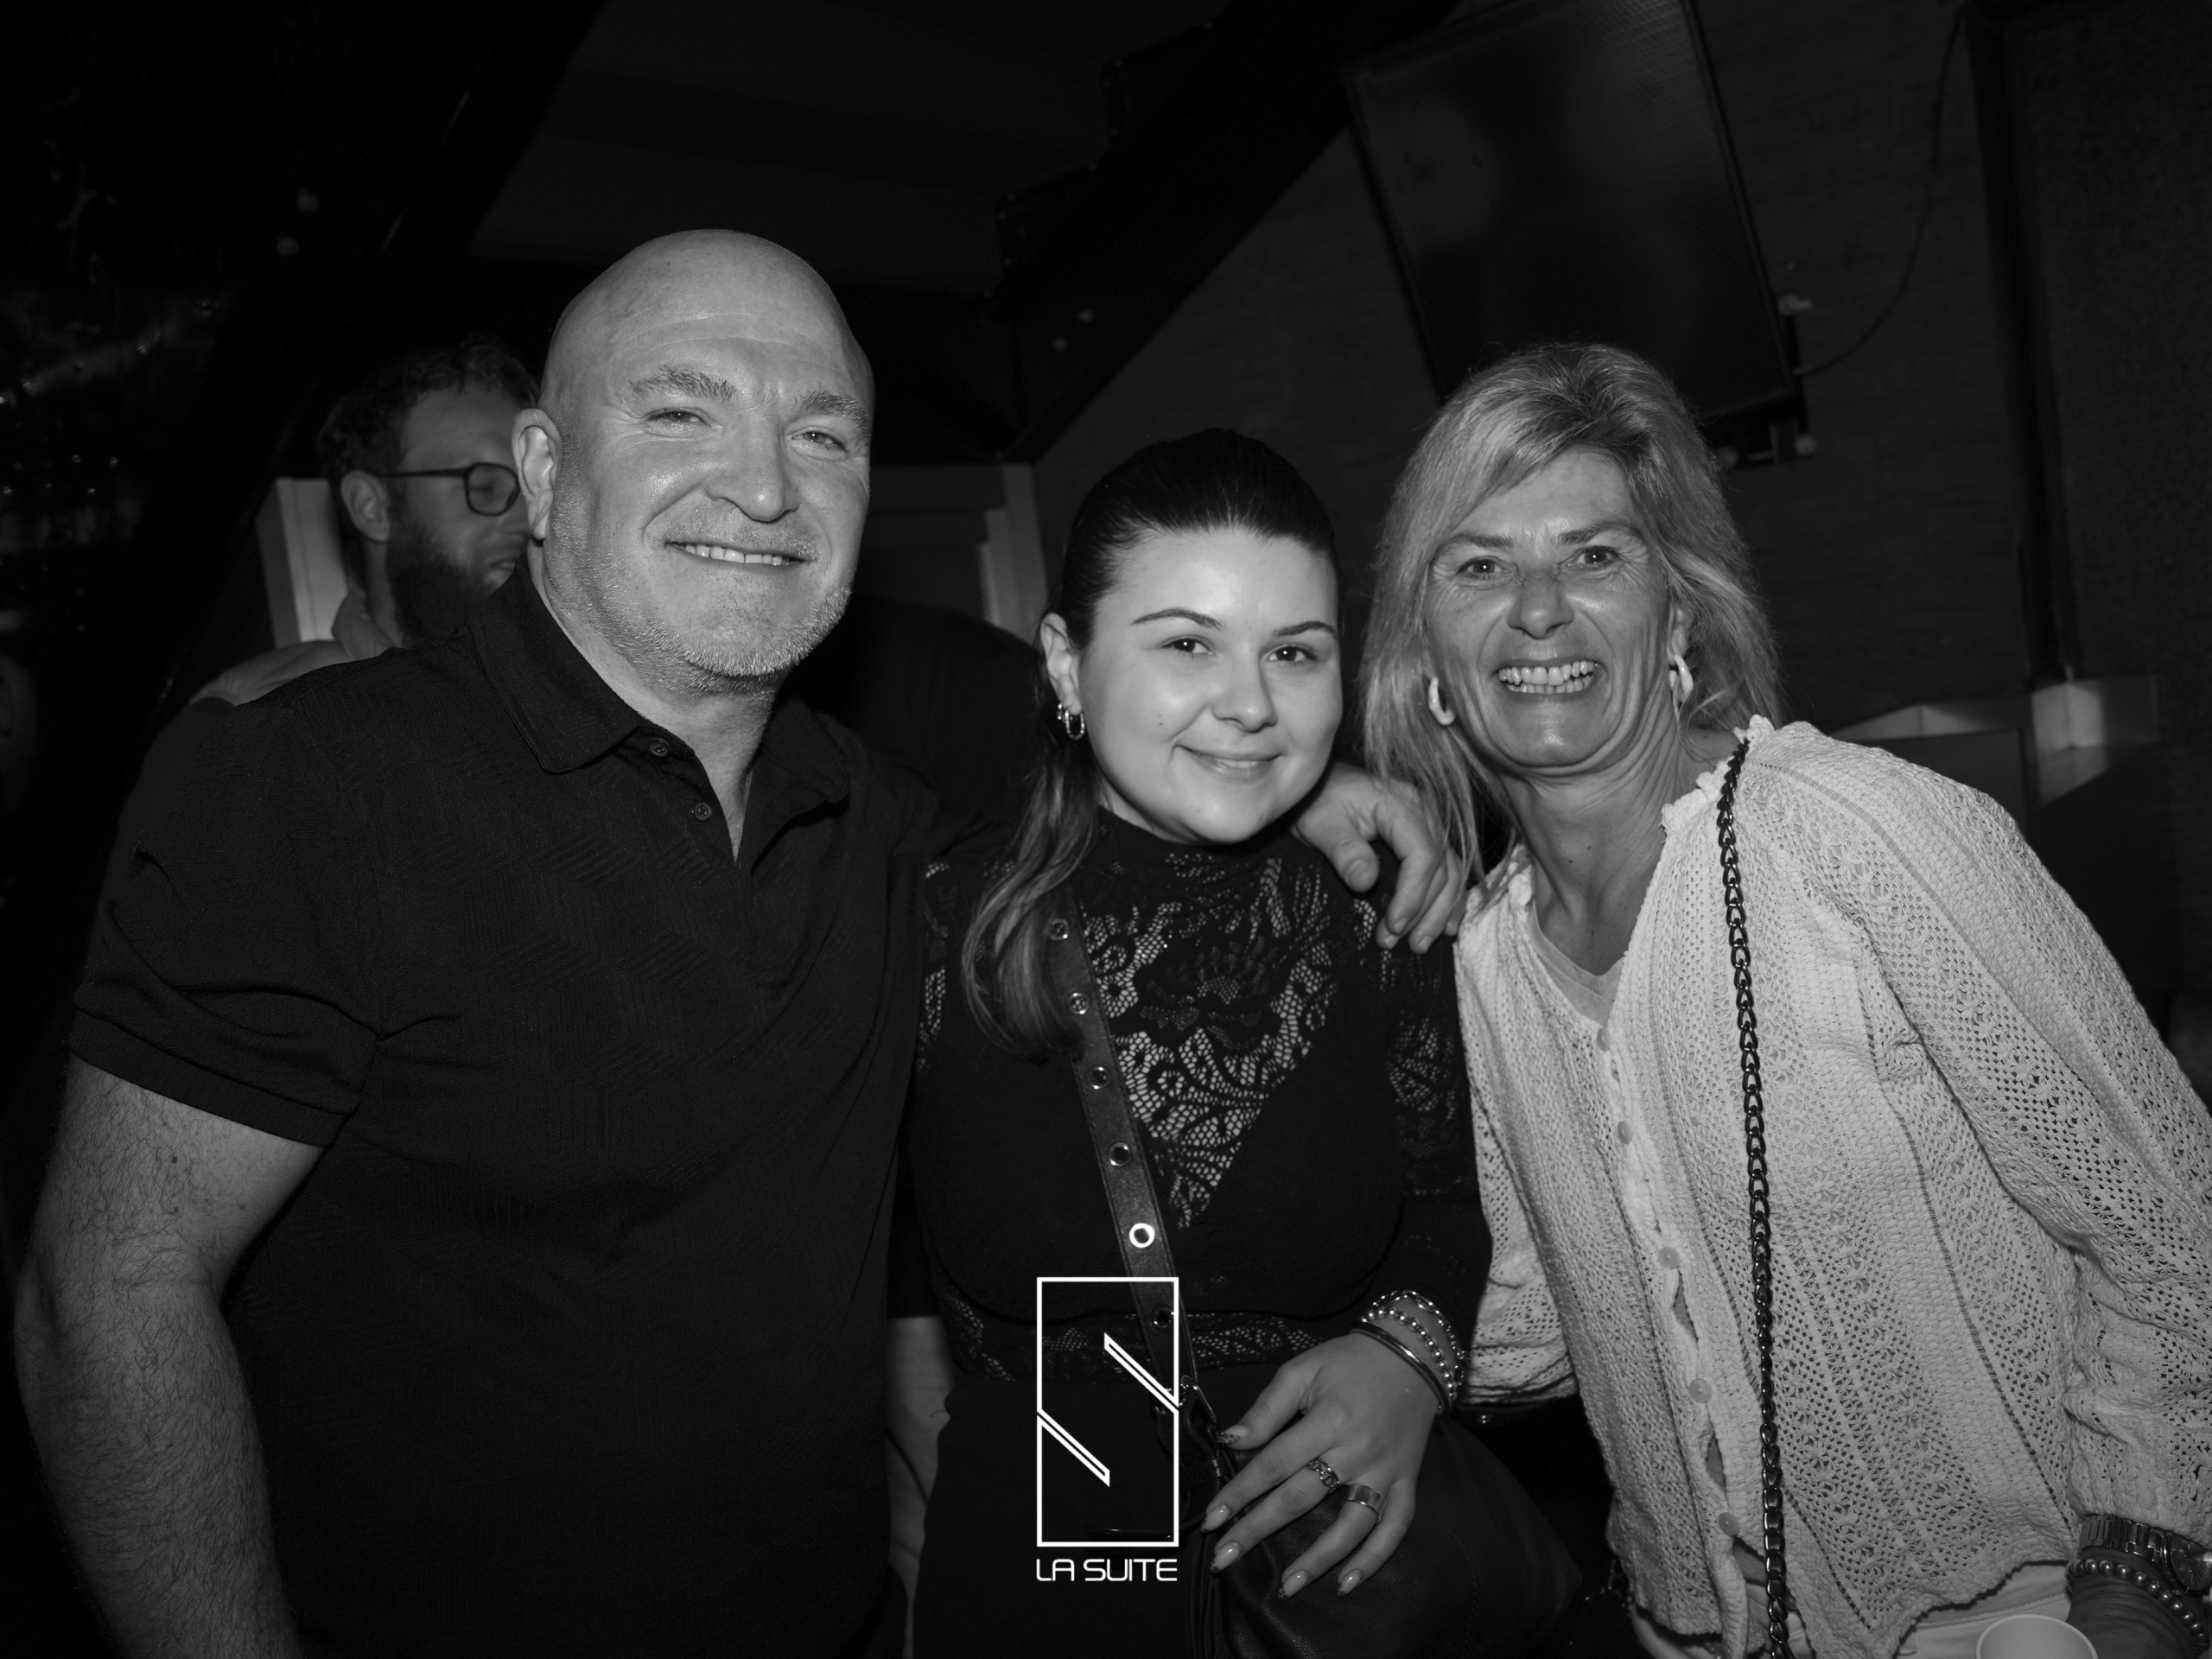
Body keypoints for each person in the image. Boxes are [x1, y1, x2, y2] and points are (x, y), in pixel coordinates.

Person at [12, 231, 1459, 1658]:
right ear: (542, 469)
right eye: (681, 412)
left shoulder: (885, 817)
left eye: (820, 434)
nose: (764, 484)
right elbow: (112, 1296)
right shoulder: (317, 782)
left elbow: (1117, 755)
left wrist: (1288, 780)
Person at [1359, 342, 2212, 1659]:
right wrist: (1369, 1350)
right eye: (1478, 566)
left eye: (1595, 555)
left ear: (1679, 615)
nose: (1536, 610)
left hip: (2019, 1621)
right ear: (1425, 646)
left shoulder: (1861, 841)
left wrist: (2130, 1599)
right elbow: (1535, 1313)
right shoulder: (1480, 962)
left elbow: (2170, 1228)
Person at [894, 431, 1496, 1656]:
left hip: (1325, 1577)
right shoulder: (929, 929)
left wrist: (1407, 1360)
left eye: (1294, 652)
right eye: (1186, 644)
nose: (1251, 704)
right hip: (1038, 1587)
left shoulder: (1373, 915)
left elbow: (1445, 1207)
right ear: (1065, 660)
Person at [96, 336, 536, 906]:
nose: (529, 518)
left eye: (536, 484)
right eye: (486, 484)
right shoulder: (240, 741)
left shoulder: (576, 709)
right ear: (373, 508)